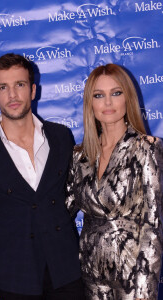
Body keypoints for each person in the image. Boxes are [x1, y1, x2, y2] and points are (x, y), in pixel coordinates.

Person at [0, 53, 85, 299]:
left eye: (20, 85)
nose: (12, 95)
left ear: (33, 90)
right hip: (15, 280)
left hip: (67, 271)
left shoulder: (60, 137)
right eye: (3, 87)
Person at [66, 63, 163, 300]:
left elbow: (154, 223)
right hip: (89, 275)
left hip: (133, 278)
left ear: (127, 98)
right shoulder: (80, 156)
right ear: (91, 103)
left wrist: (143, 287)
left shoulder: (146, 148)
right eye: (99, 95)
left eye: (116, 93)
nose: (108, 103)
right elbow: (61, 210)